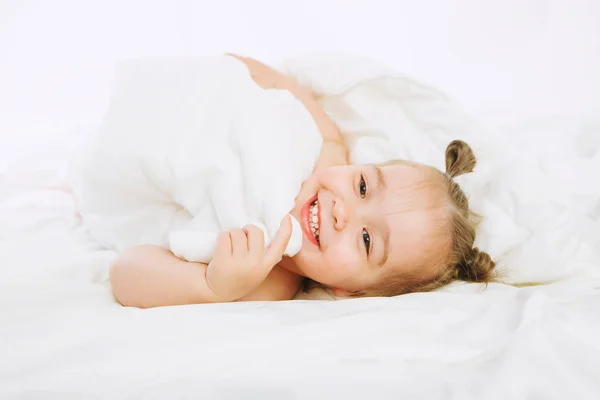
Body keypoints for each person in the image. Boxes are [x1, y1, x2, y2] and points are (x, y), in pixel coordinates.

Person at [109, 54, 496, 308]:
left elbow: (125, 274)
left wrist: (212, 287)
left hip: (128, 165)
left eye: (366, 240)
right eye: (362, 187)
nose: (345, 211)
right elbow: (286, 94)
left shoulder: (266, 277)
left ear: (349, 291)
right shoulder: (325, 155)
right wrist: (239, 73)